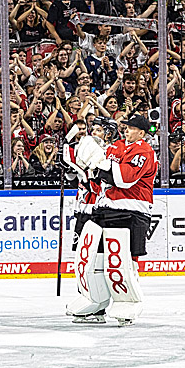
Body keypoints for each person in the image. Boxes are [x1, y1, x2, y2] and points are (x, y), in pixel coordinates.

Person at [70, 115, 157, 326]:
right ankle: (95, 303)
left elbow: (125, 179)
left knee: (121, 262)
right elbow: (97, 174)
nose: (127, 131)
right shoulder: (117, 147)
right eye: (126, 128)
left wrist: (99, 162)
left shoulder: (144, 151)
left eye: (132, 128)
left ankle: (127, 303)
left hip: (130, 212)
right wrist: (80, 164)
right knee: (93, 259)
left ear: (142, 133)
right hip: (104, 208)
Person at [62, 117, 118, 322]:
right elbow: (71, 170)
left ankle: (98, 305)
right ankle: (86, 298)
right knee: (81, 256)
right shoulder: (84, 150)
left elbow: (99, 179)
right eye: (92, 129)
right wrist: (71, 168)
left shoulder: (110, 154)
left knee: (97, 259)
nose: (94, 133)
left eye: (99, 130)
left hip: (99, 212)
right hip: (82, 211)